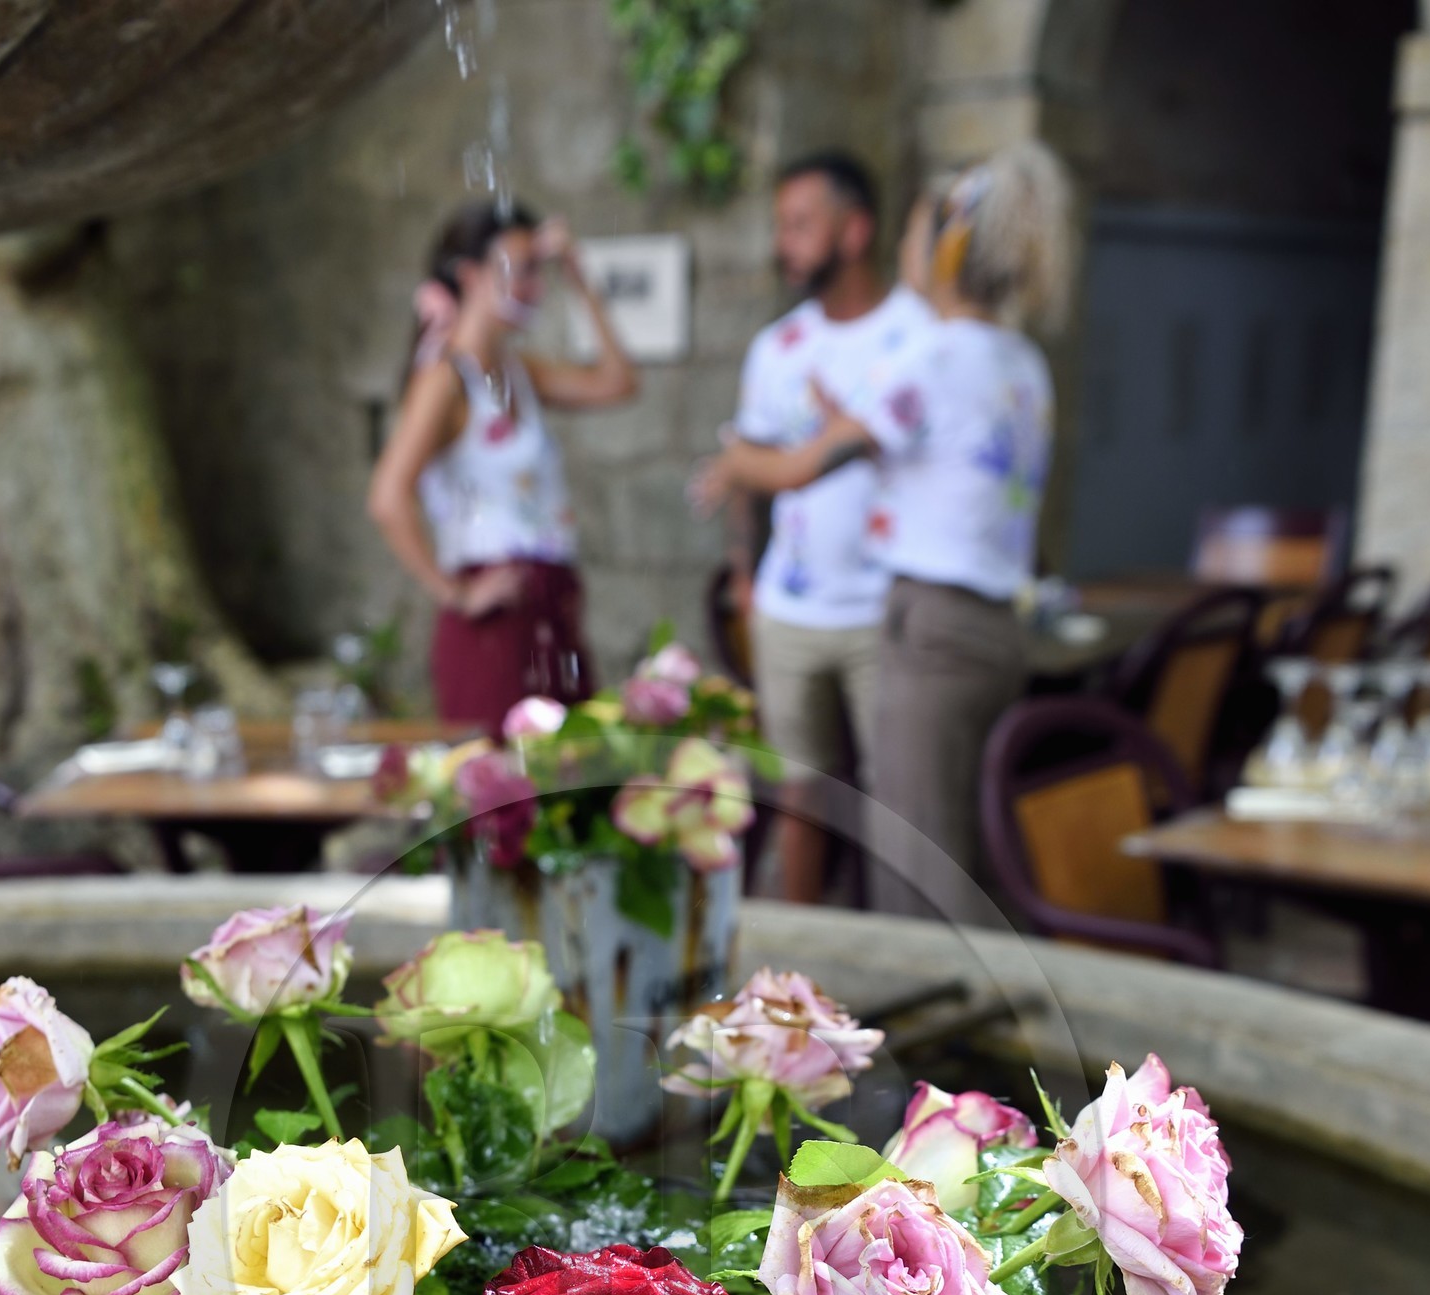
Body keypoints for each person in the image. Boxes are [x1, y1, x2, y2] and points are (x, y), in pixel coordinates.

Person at [699, 143, 1073, 920]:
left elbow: (802, 467)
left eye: (913, 232)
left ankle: (939, 1035)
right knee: (964, 847)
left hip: (930, 628)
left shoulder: (928, 357)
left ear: (943, 251)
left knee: (918, 870)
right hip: (994, 626)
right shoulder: (1022, 360)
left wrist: (736, 461)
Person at [709, 153, 934, 904]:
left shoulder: (920, 337)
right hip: (790, 608)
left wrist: (817, 441)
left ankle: (894, 961)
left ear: (857, 230)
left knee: (895, 804)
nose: (786, 242)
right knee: (796, 797)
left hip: (886, 609)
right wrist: (745, 576)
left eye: (802, 224)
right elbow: (749, 476)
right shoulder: (777, 349)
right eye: (781, 225)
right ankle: (795, 986)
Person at [369, 200, 638, 735]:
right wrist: (457, 592)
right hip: (491, 620)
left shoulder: (519, 372)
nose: (534, 286)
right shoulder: (445, 378)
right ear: (470, 276)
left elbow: (618, 383)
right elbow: (386, 497)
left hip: (552, 604)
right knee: (502, 801)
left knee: (573, 788)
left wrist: (579, 279)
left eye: (538, 270)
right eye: (522, 269)